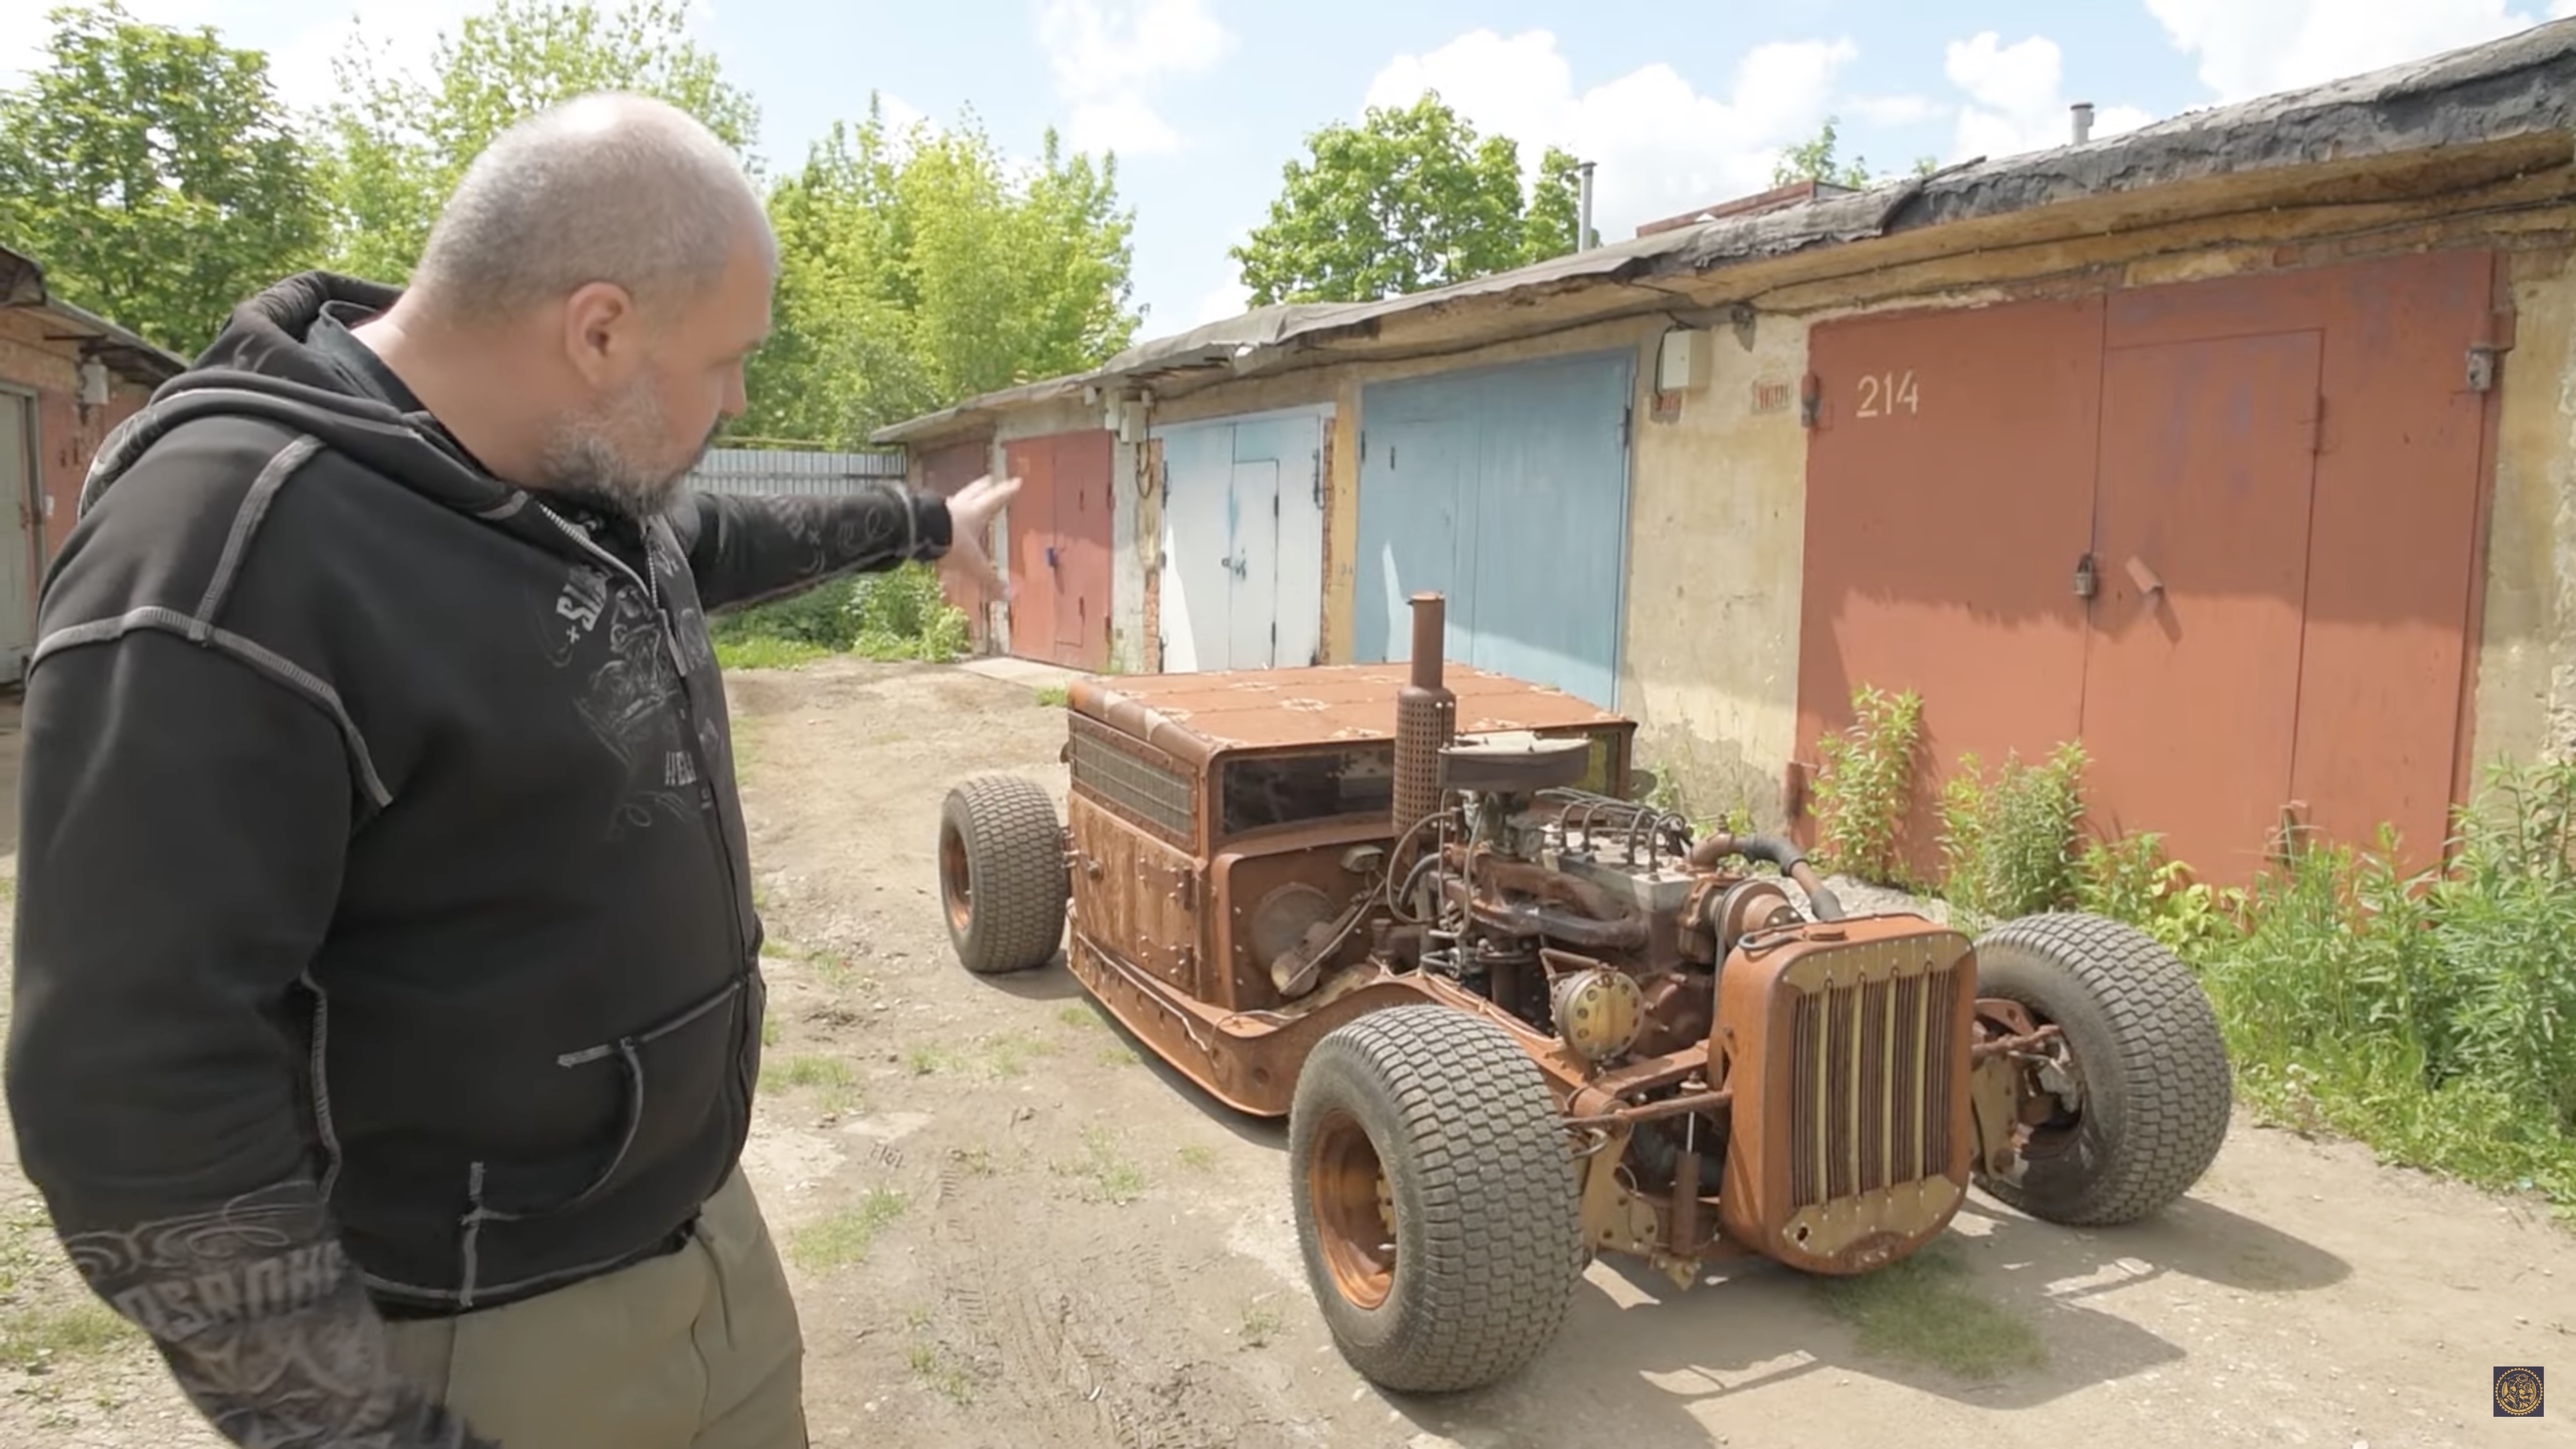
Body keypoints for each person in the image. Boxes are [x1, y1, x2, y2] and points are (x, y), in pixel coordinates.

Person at [3, 93, 1016, 1449]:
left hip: (704, 1243)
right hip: (482, 1344)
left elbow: (710, 543)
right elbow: (131, 1088)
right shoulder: (229, 554)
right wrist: (358, 1433)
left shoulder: (558, 472)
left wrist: (926, 520)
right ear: (598, 331)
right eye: (728, 363)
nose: (741, 402)